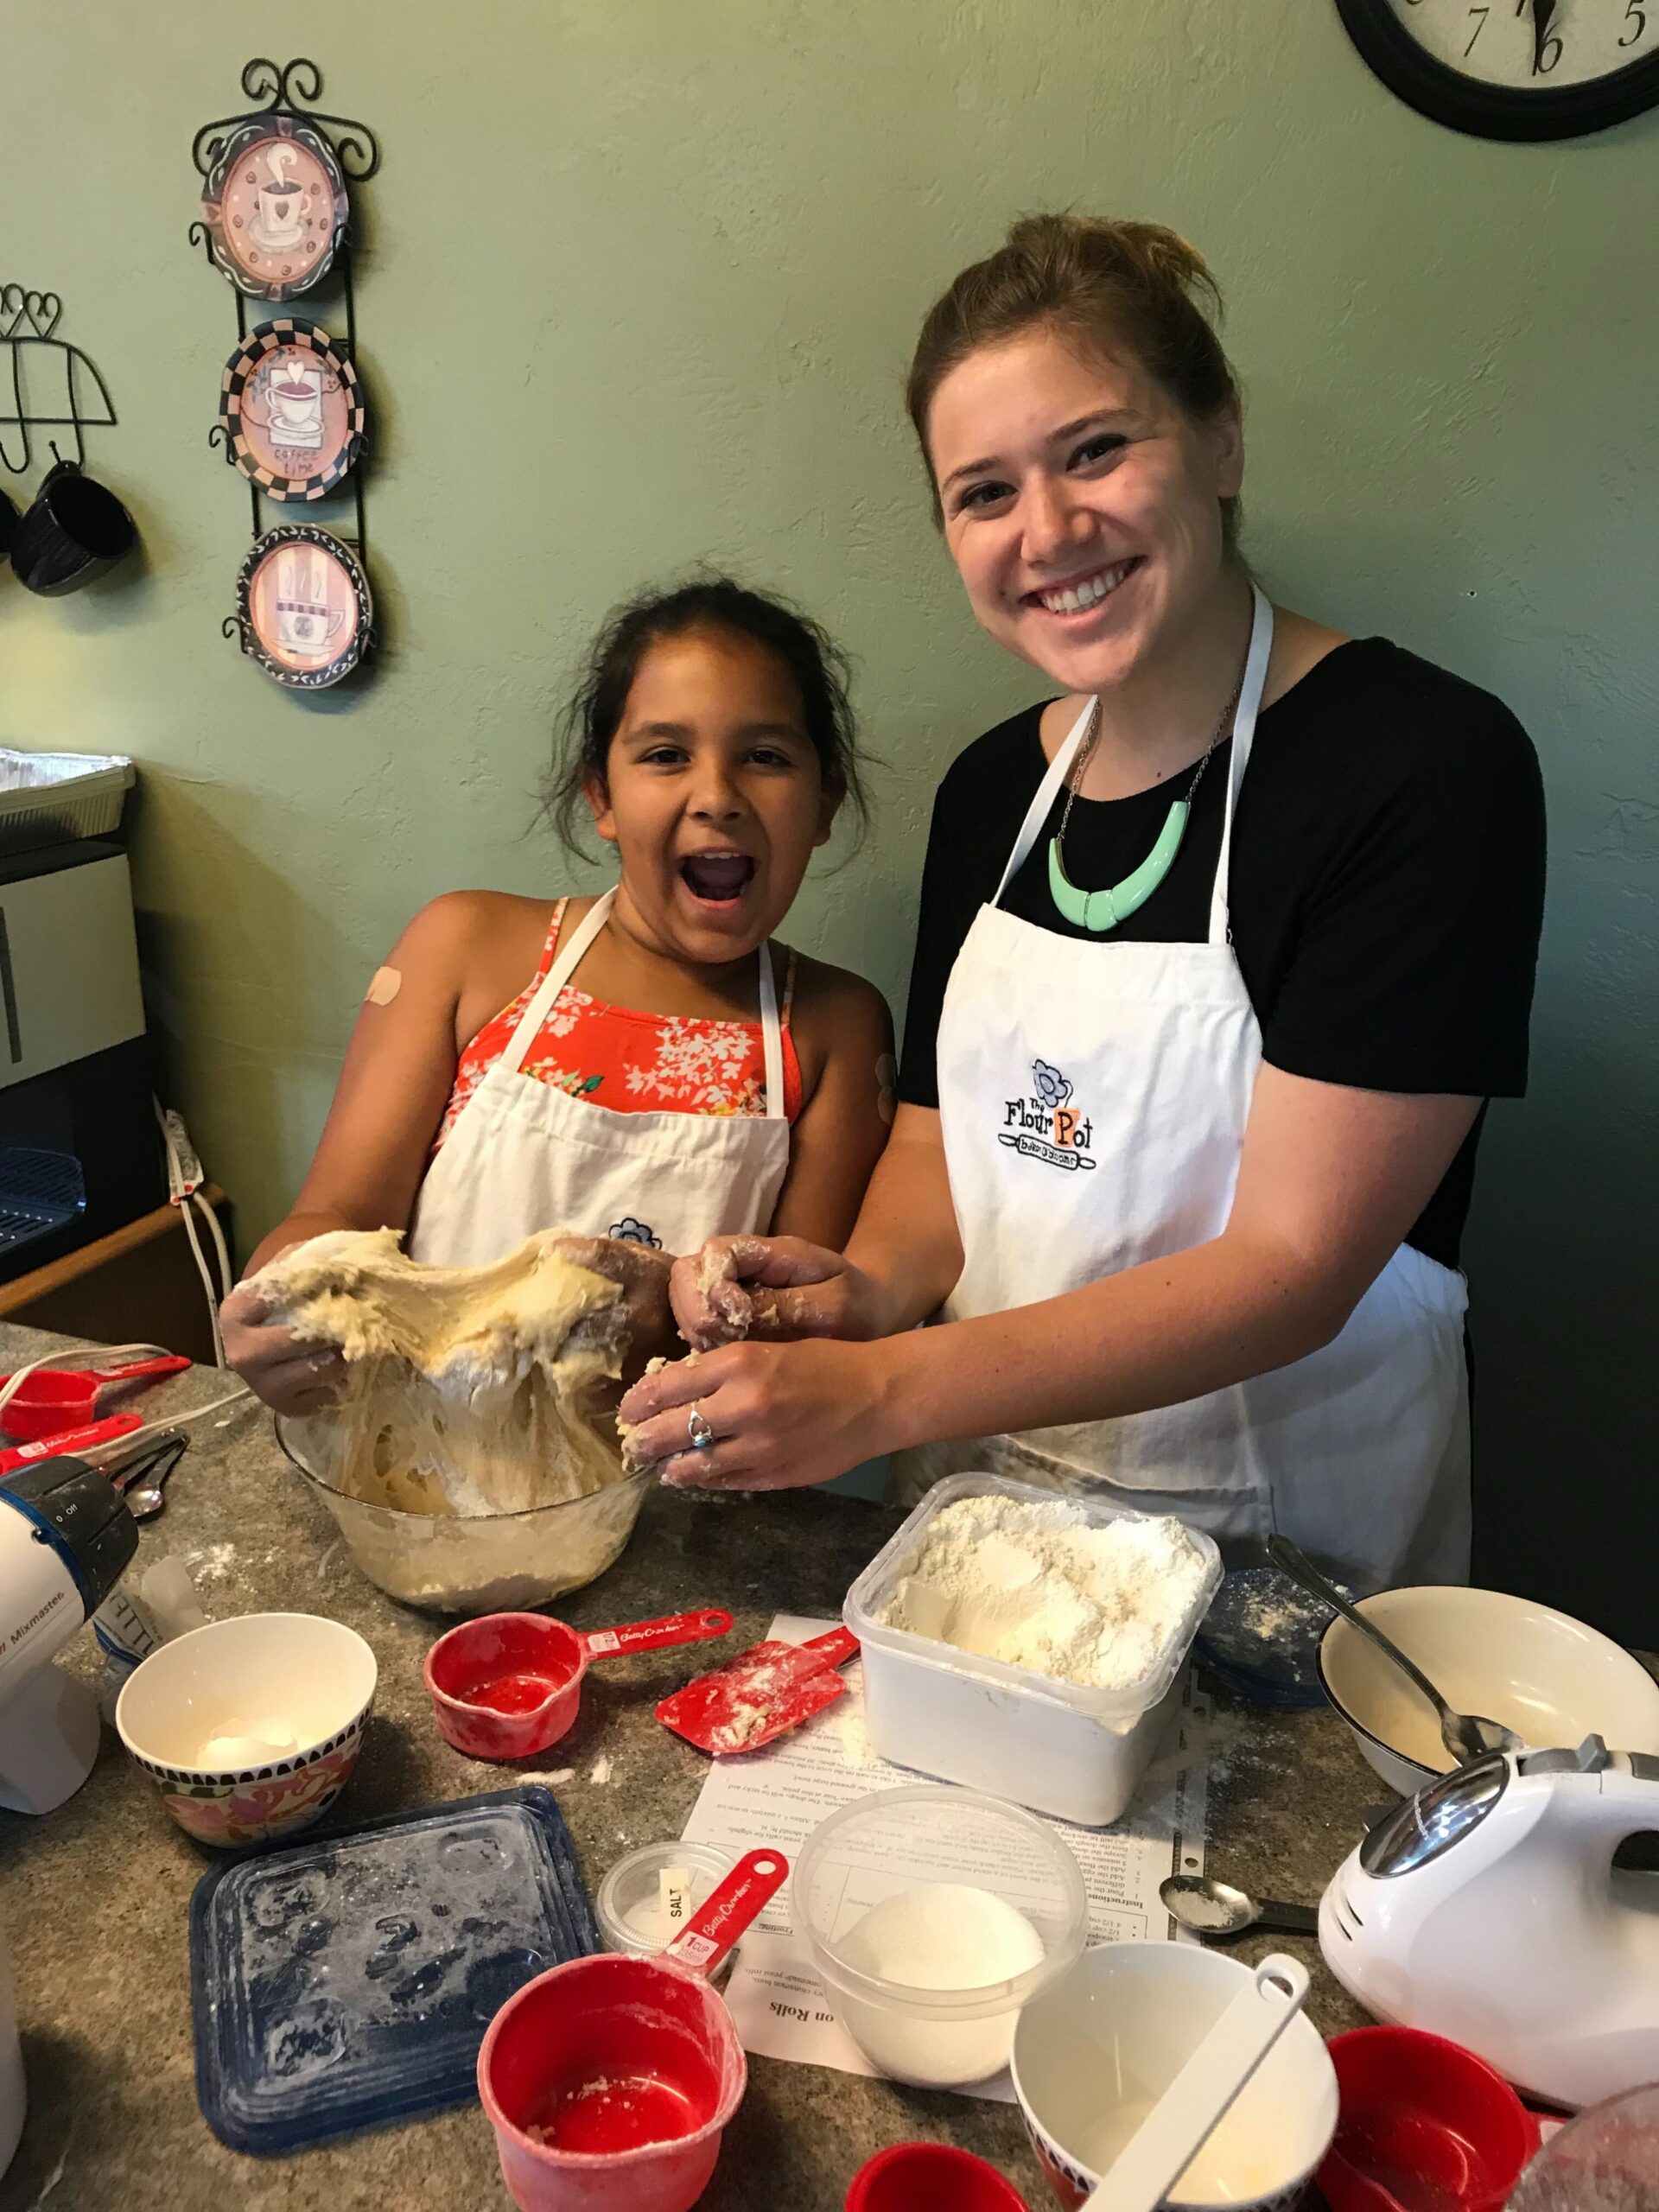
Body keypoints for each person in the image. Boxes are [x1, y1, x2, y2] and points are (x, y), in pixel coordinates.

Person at [619, 216, 1546, 1589]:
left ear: (1222, 442)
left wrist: (883, 1394)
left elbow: (1297, 1261)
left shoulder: (1422, 769)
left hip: (1292, 1559)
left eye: (1097, 449)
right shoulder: (995, 787)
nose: (1048, 532)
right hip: (990, 1526)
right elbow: (942, 1145)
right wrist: (863, 1295)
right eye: (983, 492)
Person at [222, 578, 893, 1414]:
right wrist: (282, 1298)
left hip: (676, 1509)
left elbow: (790, 1345)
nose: (718, 795)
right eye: (665, 754)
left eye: (765, 756)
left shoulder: (832, 1029)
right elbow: (337, 1218)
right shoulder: (465, 950)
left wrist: (664, 1305)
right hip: (415, 1467)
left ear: (824, 801)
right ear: (602, 797)